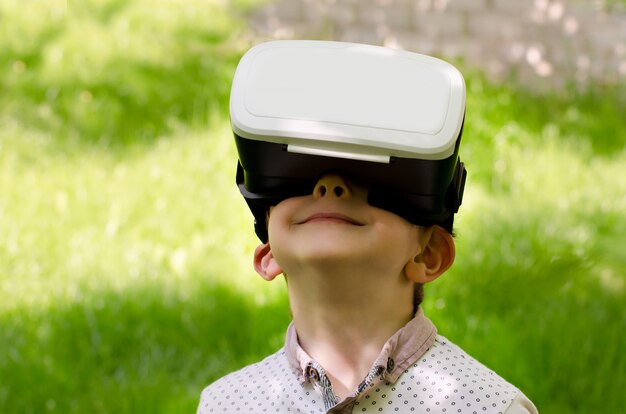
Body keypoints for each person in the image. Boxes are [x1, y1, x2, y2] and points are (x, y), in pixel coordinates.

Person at [198, 40, 538, 413]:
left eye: (370, 177)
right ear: (268, 256)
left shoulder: (489, 407)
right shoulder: (226, 404)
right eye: (298, 176)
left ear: (428, 254)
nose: (328, 185)